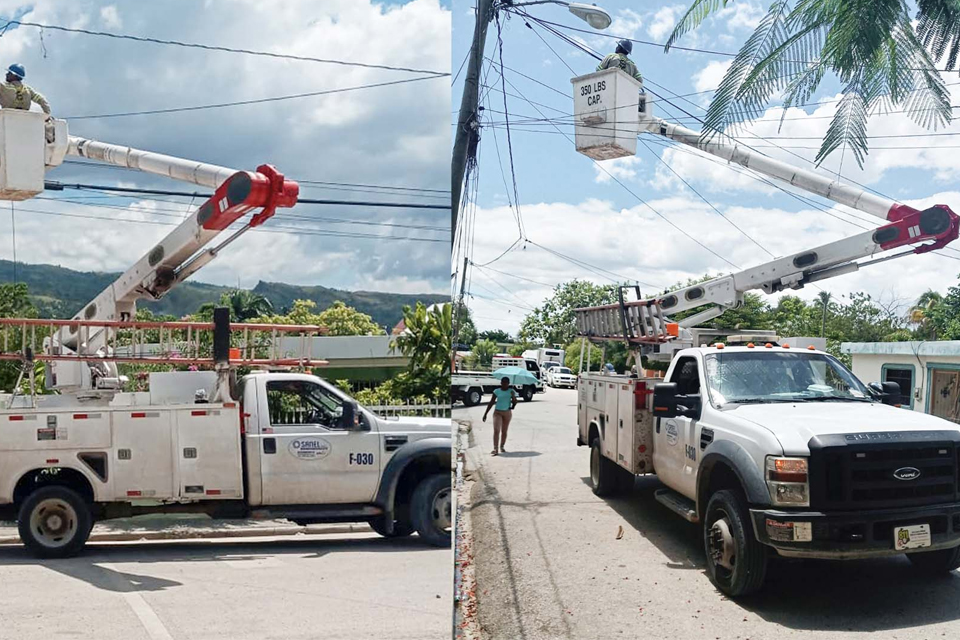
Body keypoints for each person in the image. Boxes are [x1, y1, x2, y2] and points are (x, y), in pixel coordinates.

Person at [482, 376, 517, 456]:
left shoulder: (511, 391)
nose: (504, 384)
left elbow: (514, 404)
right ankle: (495, 448)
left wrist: (513, 398)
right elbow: (491, 402)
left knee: (504, 431)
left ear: (508, 384)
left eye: (506, 383)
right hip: (497, 412)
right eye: (503, 383)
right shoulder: (496, 391)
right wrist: (485, 413)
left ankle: (502, 446)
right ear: (501, 383)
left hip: (507, 412)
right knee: (496, 430)